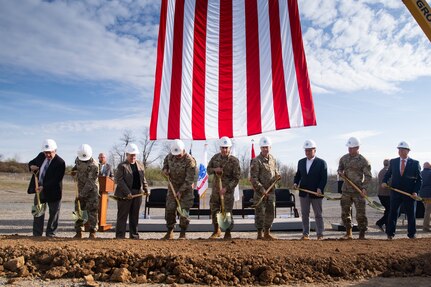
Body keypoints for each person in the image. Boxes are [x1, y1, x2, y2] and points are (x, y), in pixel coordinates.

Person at [382, 141, 422, 239]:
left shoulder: (415, 163)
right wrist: (384, 181)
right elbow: (388, 174)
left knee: (411, 214)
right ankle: (390, 234)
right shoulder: (393, 162)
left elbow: (419, 180)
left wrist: (415, 191)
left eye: (402, 149)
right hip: (395, 192)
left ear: (408, 151)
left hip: (409, 194)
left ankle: (412, 234)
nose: (400, 151)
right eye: (399, 149)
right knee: (393, 213)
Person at [28, 139, 66, 237]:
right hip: (39, 191)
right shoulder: (41, 156)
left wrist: (44, 187)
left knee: (53, 214)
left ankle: (51, 234)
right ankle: (37, 234)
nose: (47, 155)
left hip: (53, 192)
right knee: (38, 212)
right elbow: (31, 162)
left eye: (50, 153)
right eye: (46, 153)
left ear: (55, 150)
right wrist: (31, 166)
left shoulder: (60, 162)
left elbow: (56, 180)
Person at [337, 137, 372, 240]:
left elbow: (368, 176)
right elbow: (340, 169)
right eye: (348, 147)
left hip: (358, 191)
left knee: (361, 214)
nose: (349, 149)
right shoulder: (343, 158)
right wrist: (340, 172)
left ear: (357, 147)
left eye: (352, 148)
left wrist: (364, 188)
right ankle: (348, 232)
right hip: (346, 190)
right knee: (345, 213)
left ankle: (362, 234)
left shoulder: (363, 160)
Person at [161, 139, 196, 240]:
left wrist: (181, 191)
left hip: (186, 189)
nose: (177, 156)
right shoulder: (169, 156)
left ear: (183, 150)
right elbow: (165, 166)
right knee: (170, 209)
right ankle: (170, 231)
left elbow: (190, 179)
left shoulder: (190, 160)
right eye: (175, 154)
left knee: (183, 211)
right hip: (172, 186)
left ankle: (183, 233)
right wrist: (165, 171)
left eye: (179, 154)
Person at [207, 136, 241, 239]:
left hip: (227, 192)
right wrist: (214, 169)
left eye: (226, 148)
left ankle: (227, 232)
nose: (224, 150)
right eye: (222, 147)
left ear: (230, 148)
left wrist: (226, 189)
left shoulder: (234, 161)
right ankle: (216, 230)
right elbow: (208, 170)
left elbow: (236, 178)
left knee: (227, 212)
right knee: (214, 210)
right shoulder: (215, 158)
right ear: (220, 148)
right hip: (215, 191)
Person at [293, 140, 327, 240]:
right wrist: (295, 183)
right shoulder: (301, 162)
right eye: (306, 150)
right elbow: (298, 175)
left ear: (314, 150)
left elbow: (323, 178)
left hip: (316, 193)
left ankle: (320, 234)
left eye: (309, 150)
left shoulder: (321, 163)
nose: (307, 152)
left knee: (318, 214)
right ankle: (305, 234)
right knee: (304, 214)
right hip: (304, 192)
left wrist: (320, 188)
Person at [114, 143, 149, 239]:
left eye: (134, 155)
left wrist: (146, 189)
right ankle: (120, 236)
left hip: (137, 193)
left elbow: (143, 178)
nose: (133, 157)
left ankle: (134, 235)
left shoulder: (140, 165)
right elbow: (119, 180)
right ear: (127, 155)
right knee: (122, 216)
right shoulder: (122, 166)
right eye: (131, 155)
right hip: (124, 195)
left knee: (134, 216)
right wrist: (127, 192)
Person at [250, 136, 280, 240]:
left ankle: (267, 232)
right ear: (260, 148)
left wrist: (278, 175)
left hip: (271, 191)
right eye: (263, 147)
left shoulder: (272, 159)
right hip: (260, 192)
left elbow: (275, 171)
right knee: (260, 213)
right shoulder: (256, 161)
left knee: (270, 212)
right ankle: (259, 233)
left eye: (266, 147)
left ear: (270, 147)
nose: (265, 149)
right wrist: (261, 189)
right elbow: (253, 178)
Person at [71, 144, 99, 239]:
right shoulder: (78, 159)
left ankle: (92, 232)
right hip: (79, 189)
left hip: (91, 191)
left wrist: (82, 194)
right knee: (78, 210)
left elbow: (90, 182)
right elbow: (76, 167)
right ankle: (78, 231)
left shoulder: (94, 165)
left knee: (92, 211)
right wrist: (74, 170)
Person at [375, 159, 390, 232]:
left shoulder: (381, 171)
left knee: (387, 210)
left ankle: (387, 226)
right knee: (390, 210)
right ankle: (380, 222)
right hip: (386, 194)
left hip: (381, 193)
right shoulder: (387, 171)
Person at [420, 162, 431, 232]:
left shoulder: (420, 173)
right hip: (429, 194)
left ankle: (427, 224)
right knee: (428, 211)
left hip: (422, 194)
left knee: (427, 210)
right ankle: (425, 227)